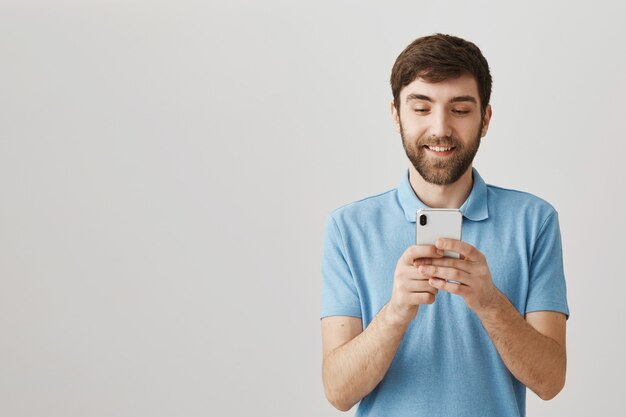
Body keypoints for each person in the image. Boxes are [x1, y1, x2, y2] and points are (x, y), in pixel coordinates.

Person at [320, 34, 569, 417]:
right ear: (395, 115)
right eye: (421, 108)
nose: (440, 128)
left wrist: (490, 303)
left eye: (460, 110)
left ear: (485, 119)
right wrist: (396, 312)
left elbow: (550, 382)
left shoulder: (534, 221)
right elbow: (338, 392)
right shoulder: (349, 227)